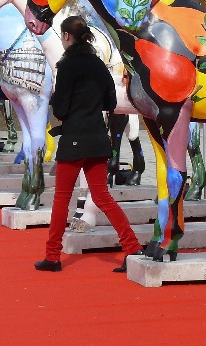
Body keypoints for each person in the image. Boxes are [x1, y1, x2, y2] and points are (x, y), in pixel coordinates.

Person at [35, 16, 144, 273]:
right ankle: (132, 246)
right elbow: (110, 103)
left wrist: (64, 108)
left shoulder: (66, 65)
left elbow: (60, 108)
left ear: (66, 37)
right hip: (97, 136)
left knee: (62, 199)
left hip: (74, 138)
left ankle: (52, 256)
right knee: (102, 196)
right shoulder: (99, 65)